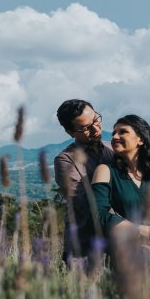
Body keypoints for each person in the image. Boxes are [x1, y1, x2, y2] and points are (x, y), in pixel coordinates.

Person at [91, 114, 150, 250]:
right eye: (114, 133)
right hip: (126, 250)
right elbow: (98, 216)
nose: (115, 137)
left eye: (123, 132)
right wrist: (142, 231)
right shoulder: (105, 171)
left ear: (140, 140)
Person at [54, 99, 115, 260]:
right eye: (86, 128)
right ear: (70, 132)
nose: (96, 129)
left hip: (123, 244)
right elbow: (88, 205)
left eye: (96, 120)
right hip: (86, 251)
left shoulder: (115, 148)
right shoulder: (66, 160)